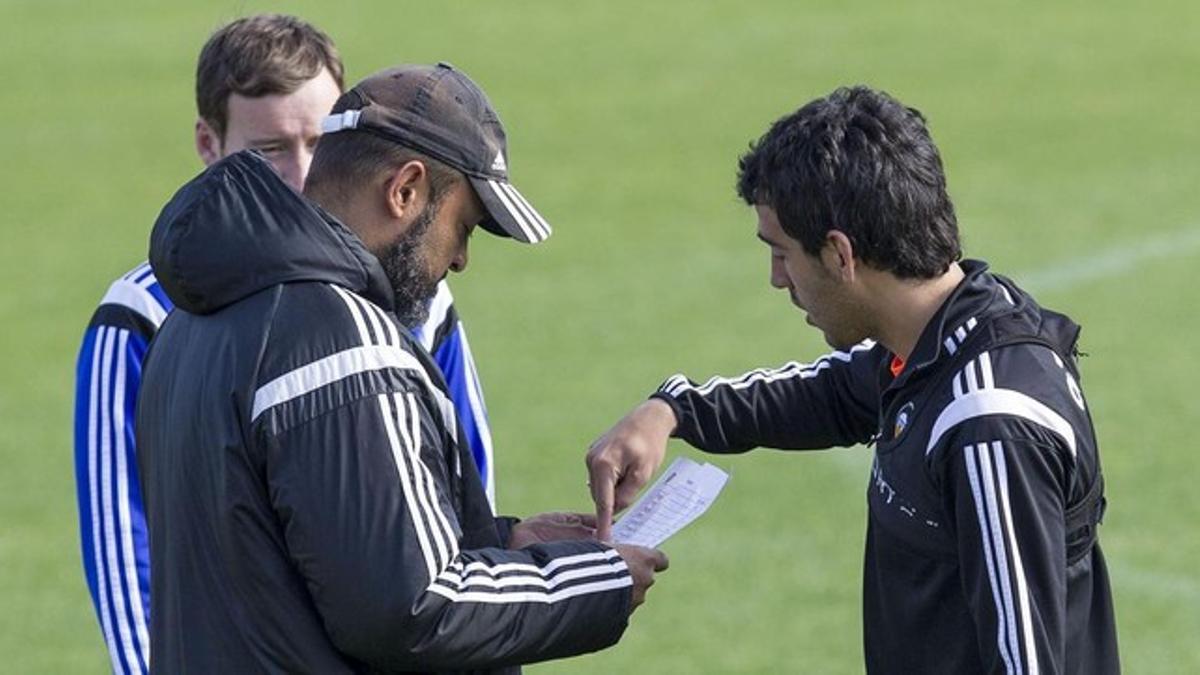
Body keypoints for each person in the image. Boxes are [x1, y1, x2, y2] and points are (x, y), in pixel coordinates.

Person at [136, 62, 668, 672]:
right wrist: (593, 583)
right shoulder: (341, 339)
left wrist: (501, 544)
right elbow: (413, 610)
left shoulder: (192, 322)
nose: (462, 258)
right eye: (462, 225)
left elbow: (294, 558)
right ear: (406, 190)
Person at [586, 86, 1118, 674]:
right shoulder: (937, 338)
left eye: (782, 253)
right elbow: (835, 393)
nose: (777, 278)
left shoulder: (989, 427)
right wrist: (674, 411)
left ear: (840, 254)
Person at [73, 16, 498, 674]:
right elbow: (122, 551)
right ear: (208, 145)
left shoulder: (423, 300)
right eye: (270, 150)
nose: (302, 174)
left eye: (319, 140)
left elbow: (463, 496)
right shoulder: (141, 314)